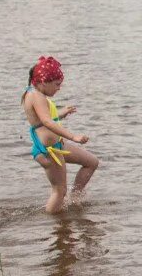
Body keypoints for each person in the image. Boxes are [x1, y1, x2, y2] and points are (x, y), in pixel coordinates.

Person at [22, 55, 99, 214]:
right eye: (56, 84)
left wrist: (61, 114)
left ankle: (74, 200)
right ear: (43, 82)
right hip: (49, 151)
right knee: (59, 191)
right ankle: (53, 222)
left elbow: (43, 119)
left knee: (92, 162)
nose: (59, 88)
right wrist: (74, 137)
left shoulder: (35, 92)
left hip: (57, 146)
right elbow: (47, 122)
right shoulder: (36, 95)